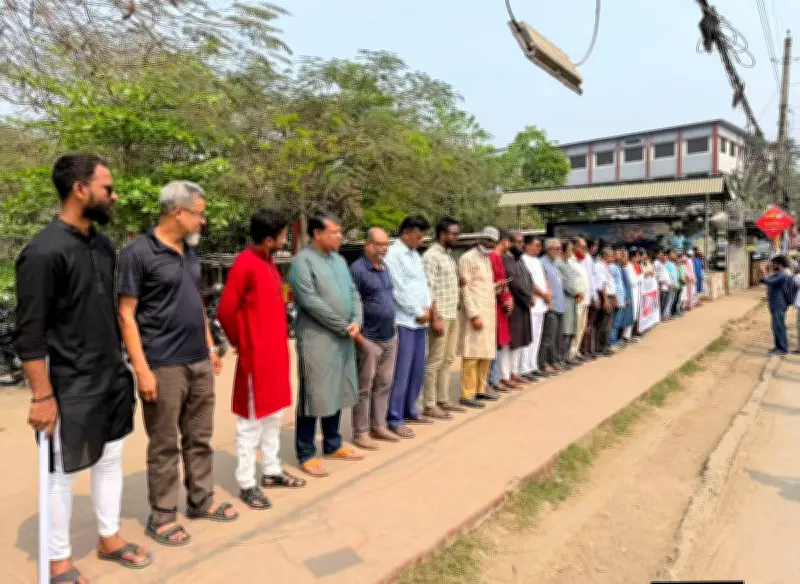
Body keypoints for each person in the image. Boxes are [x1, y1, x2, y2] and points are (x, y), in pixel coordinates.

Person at [15, 154, 150, 582]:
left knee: (109, 462)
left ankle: (108, 538)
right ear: (80, 190)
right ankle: (58, 562)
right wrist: (42, 396)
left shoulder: (103, 246)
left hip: (110, 377)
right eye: (107, 188)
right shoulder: (42, 252)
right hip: (68, 384)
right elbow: (30, 332)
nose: (114, 195)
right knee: (60, 475)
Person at [118, 180, 238, 547]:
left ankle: (202, 501)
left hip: (198, 360)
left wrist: (209, 346)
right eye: (199, 214)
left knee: (200, 438)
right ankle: (163, 516)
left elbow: (195, 302)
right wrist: (142, 369)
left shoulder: (188, 252)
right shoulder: (137, 254)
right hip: (163, 365)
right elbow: (126, 315)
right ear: (178, 211)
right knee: (165, 443)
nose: (203, 221)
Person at [216, 209, 306, 512]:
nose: (285, 239)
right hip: (257, 358)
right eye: (282, 236)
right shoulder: (245, 264)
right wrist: (243, 343)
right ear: (269, 239)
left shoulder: (268, 263)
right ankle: (246, 482)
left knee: (274, 416)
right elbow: (225, 311)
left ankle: (271, 470)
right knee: (250, 422)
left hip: (276, 355)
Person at [288, 213, 365, 476]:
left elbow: (353, 293)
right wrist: (343, 325)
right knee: (314, 393)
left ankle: (333, 444)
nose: (340, 236)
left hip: (343, 336)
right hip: (317, 339)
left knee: (337, 388)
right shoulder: (302, 262)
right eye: (334, 231)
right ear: (317, 234)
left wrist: (356, 319)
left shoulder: (341, 260)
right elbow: (310, 301)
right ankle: (306, 452)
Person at [350, 227, 400, 450]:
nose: (384, 248)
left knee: (384, 384)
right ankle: (360, 432)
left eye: (386, 244)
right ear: (367, 244)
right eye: (379, 244)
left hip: (389, 336)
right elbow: (351, 303)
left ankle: (378, 426)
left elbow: (387, 297)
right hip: (369, 339)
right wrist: (360, 338)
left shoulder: (384, 268)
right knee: (364, 387)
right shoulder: (357, 270)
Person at [384, 215, 433, 437]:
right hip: (405, 320)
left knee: (416, 369)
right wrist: (418, 312)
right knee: (401, 372)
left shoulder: (415, 255)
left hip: (421, 321)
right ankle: (395, 417)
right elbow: (397, 289)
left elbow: (422, 286)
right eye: (417, 236)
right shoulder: (394, 255)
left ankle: (410, 408)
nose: (420, 240)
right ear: (405, 233)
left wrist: (428, 309)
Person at [422, 217, 465, 419]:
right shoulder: (431, 256)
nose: (457, 237)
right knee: (435, 361)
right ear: (442, 234)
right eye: (453, 233)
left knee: (448, 359)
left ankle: (443, 399)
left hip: (452, 313)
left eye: (457, 233)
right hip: (441, 315)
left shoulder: (448, 255)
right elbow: (429, 289)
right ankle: (429, 404)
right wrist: (435, 317)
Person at [458, 227, 499, 408]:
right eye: (487, 239)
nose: (489, 243)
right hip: (476, 314)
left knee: (486, 355)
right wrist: (473, 314)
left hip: (489, 312)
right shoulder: (467, 258)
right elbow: (465, 288)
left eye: (492, 241)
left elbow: (482, 285)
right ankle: (467, 394)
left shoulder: (487, 259)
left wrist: (498, 287)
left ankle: (480, 390)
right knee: (472, 355)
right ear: (481, 238)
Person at [502, 231, 534, 385]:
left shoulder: (519, 259)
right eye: (518, 241)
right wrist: (528, 298)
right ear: (509, 242)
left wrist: (530, 295)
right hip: (513, 306)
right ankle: (505, 376)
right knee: (510, 342)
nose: (521, 244)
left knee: (519, 341)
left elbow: (529, 278)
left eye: (522, 242)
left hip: (523, 305)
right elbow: (514, 283)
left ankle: (515, 372)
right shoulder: (506, 259)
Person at [487, 231, 513, 394]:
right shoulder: (492, 257)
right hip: (494, 305)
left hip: (501, 304)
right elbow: (495, 282)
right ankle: (491, 379)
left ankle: (495, 378)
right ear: (504, 242)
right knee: (493, 343)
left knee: (498, 343)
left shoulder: (498, 258)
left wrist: (508, 298)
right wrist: (505, 299)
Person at [520, 236, 549, 380]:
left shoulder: (537, 261)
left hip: (541, 304)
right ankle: (524, 368)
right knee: (529, 337)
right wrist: (544, 294)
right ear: (526, 245)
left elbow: (543, 279)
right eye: (536, 245)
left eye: (540, 246)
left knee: (537, 336)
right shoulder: (524, 260)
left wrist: (548, 294)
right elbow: (530, 283)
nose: (539, 248)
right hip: (532, 304)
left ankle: (533, 365)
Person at [557, 239, 590, 365]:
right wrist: (576, 292)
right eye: (582, 246)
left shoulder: (581, 261)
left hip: (583, 299)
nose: (584, 249)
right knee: (571, 328)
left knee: (580, 328)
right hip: (573, 299)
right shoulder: (568, 262)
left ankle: (575, 352)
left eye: (585, 246)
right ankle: (569, 354)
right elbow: (567, 283)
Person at [539, 238, 566, 372]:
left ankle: (554, 360)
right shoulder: (542, 263)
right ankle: (543, 364)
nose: (559, 251)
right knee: (547, 337)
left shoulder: (554, 263)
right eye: (556, 249)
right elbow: (544, 285)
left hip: (559, 305)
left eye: (560, 248)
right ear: (548, 249)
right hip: (550, 306)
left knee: (556, 337)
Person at [760, 255, 791, 355]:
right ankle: (778, 347)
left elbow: (768, 281)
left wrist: (764, 271)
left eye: (774, 263)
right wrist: (766, 271)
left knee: (779, 326)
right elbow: (765, 279)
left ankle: (782, 348)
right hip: (775, 303)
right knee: (776, 326)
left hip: (779, 304)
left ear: (780, 264)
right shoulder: (778, 274)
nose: (772, 265)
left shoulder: (782, 275)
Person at [579, 238, 601, 359]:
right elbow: (590, 280)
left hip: (590, 295)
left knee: (588, 324)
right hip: (589, 296)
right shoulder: (587, 259)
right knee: (587, 324)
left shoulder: (588, 258)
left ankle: (587, 349)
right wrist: (595, 297)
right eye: (594, 246)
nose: (596, 248)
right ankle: (585, 350)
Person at [594, 247, 616, 356]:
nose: (613, 257)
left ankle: (605, 346)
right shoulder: (599, 266)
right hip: (605, 296)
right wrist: (606, 300)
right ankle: (601, 347)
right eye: (611, 255)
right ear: (606, 256)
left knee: (608, 322)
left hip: (610, 296)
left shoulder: (606, 266)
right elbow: (602, 284)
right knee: (604, 323)